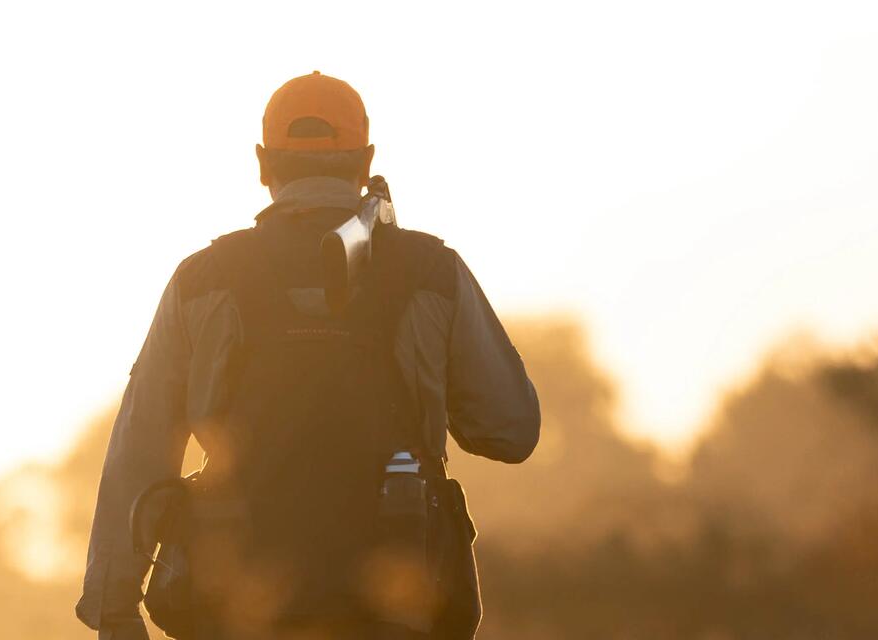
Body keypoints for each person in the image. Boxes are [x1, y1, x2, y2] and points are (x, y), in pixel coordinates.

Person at [76, 71, 541, 640]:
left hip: (237, 603)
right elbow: (511, 430)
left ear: (262, 163)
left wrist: (114, 607)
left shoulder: (201, 281)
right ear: (366, 159)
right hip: (400, 607)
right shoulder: (432, 273)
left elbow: (141, 448)